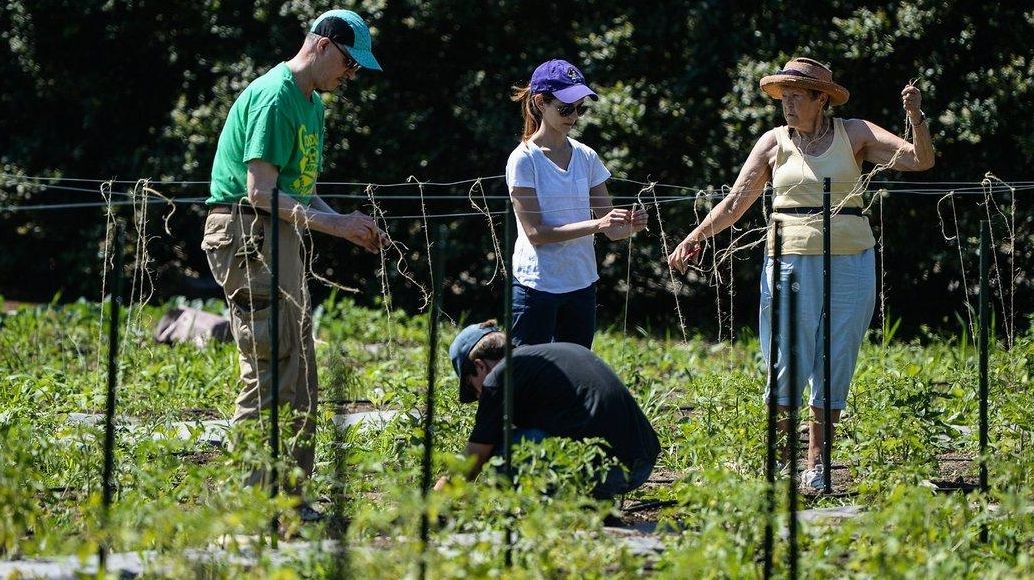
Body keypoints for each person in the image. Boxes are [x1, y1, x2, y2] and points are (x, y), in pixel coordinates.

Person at [667, 57, 934, 489]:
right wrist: (695, 236)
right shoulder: (773, 142)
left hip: (851, 259)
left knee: (836, 354)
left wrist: (915, 116)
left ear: (820, 100)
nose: (787, 105)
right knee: (786, 353)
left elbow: (920, 161)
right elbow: (736, 203)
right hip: (789, 257)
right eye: (783, 97)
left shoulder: (856, 133)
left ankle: (817, 463)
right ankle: (782, 457)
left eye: (796, 97)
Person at [201, 9, 386, 514]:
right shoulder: (275, 97)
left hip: (278, 232)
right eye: (350, 64)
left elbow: (299, 190)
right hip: (246, 232)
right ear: (323, 46)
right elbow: (260, 192)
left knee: (299, 366)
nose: (351, 76)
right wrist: (337, 226)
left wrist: (346, 222)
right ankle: (254, 502)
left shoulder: (312, 106)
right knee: (268, 365)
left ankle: (290, 497)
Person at [506, 59, 648, 349]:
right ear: (540, 102)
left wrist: (630, 225)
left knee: (575, 376)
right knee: (528, 375)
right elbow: (536, 234)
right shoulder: (524, 159)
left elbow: (611, 229)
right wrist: (599, 224)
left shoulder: (587, 157)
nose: (573, 117)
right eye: (565, 108)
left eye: (580, 108)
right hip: (536, 287)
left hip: (581, 285)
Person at [434, 321, 660, 500]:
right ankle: (594, 502)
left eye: (472, 389)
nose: (479, 396)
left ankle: (564, 506)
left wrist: (434, 503)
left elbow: (474, 459)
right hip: (643, 463)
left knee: (501, 452)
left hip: (607, 471)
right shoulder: (556, 353)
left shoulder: (500, 375)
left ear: (479, 366)